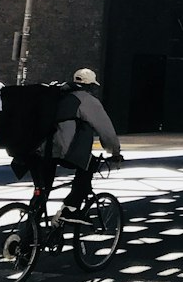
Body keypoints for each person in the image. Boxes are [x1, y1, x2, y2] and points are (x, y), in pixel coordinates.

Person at [27, 67, 122, 224]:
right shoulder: (87, 101)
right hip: (66, 151)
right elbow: (106, 130)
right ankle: (70, 208)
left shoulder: (57, 96)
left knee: (42, 192)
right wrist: (115, 152)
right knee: (89, 165)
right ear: (90, 86)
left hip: (41, 150)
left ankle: (28, 239)